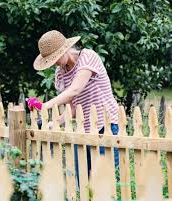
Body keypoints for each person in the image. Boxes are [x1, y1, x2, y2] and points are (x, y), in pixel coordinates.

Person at [27, 30, 119, 184]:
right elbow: (73, 109)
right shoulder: (60, 73)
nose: (54, 63)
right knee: (82, 183)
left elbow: (75, 89)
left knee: (105, 183)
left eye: (55, 58)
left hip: (105, 126)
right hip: (82, 130)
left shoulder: (88, 57)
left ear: (65, 49)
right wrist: (54, 123)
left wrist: (44, 106)